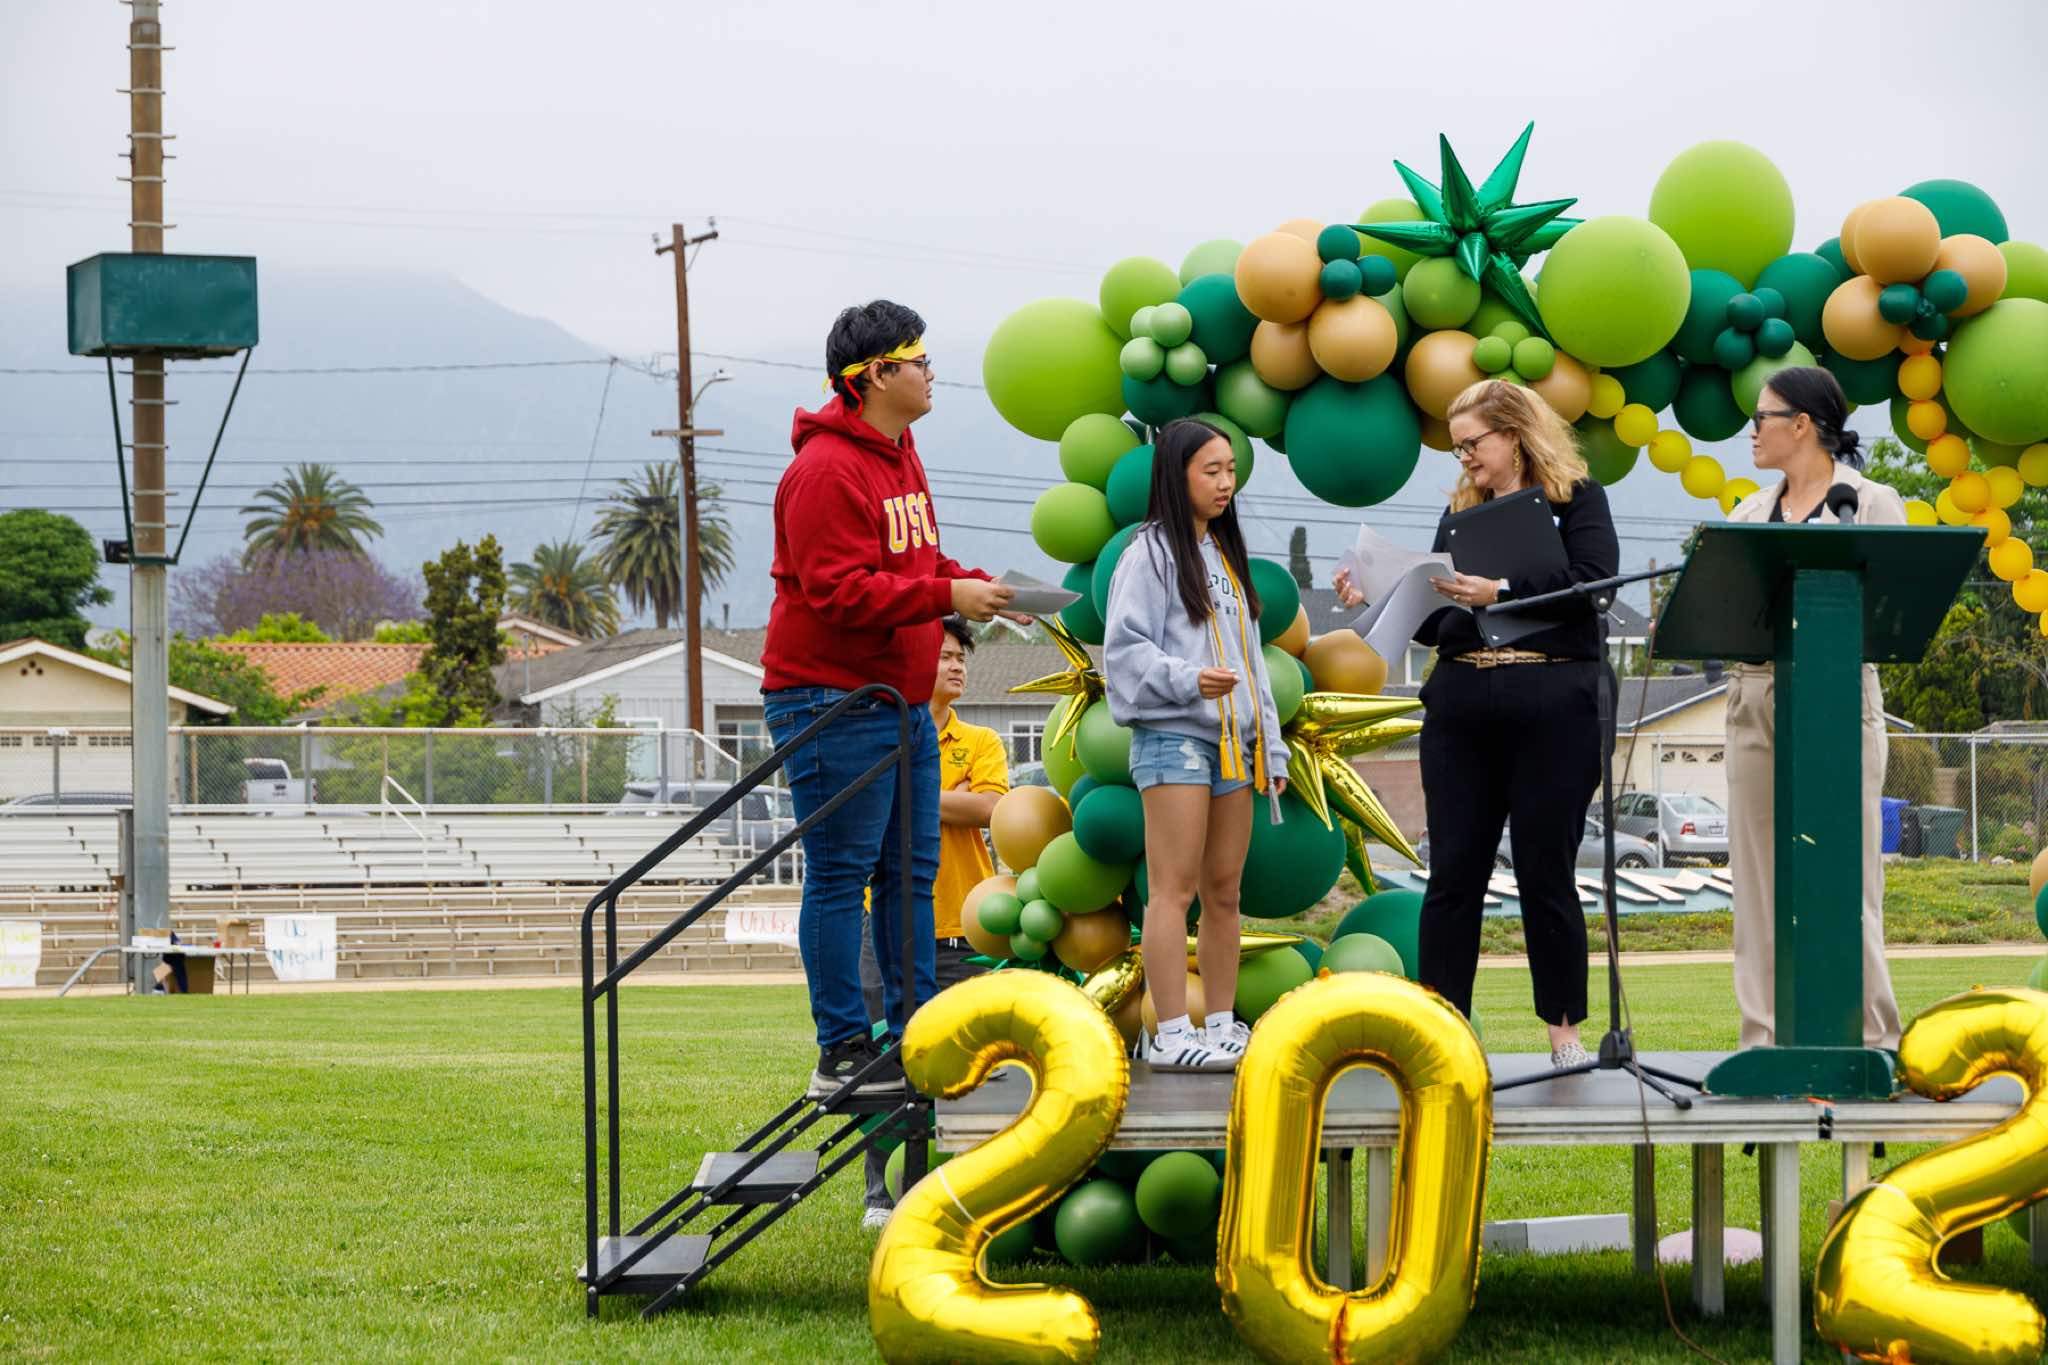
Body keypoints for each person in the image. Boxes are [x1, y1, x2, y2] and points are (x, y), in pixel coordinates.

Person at [762, 299, 1015, 1100]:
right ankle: (841, 1045)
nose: (932, 373)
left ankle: (913, 1031)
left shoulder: (902, 453)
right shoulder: (824, 469)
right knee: (842, 873)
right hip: (830, 700)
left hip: (897, 698)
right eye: (919, 361)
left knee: (910, 873)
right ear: (876, 373)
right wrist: (944, 595)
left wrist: (975, 586)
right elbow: (838, 592)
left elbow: (918, 561)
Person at [1335, 379, 1616, 1068]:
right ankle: (1445, 1032)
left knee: (1545, 869)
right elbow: (1440, 623)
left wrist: (1503, 591)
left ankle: (1564, 1035)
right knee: (1453, 872)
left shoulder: (1578, 498)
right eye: (1457, 447)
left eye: (1472, 444)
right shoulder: (1458, 513)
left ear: (1514, 434)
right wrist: (1379, 597)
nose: (1464, 458)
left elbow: (1595, 584)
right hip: (1463, 703)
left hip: (1555, 698)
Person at [1724, 366, 1904, 1050]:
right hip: (1755, 696)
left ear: (1801, 424)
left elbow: (1891, 609)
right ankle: (1764, 1040)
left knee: (1849, 875)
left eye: (1761, 418)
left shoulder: (1873, 501)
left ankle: (1873, 1038)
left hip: (1839, 697)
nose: (1751, 432)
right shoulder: (1747, 513)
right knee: (1757, 879)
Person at [1103, 418, 1288, 1073]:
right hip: (1174, 738)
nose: (1225, 482)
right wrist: (1190, 679)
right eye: (1211, 470)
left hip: (1235, 747)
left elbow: (1253, 665)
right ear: (1175, 475)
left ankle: (1221, 1024)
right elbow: (1123, 652)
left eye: (1230, 470)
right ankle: (1170, 1030)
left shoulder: (1225, 558)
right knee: (1172, 891)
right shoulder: (1148, 554)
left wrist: (1273, 748)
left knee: (1225, 892)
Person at [857, 615, 1010, 1228]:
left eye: (961, 657)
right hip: (886, 927)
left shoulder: (982, 741)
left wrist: (913, 792)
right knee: (881, 1062)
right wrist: (952, 798)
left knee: (966, 1064)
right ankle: (878, 1194)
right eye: (944, 654)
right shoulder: (880, 735)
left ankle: (947, 1187)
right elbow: (872, 804)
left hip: (967, 929)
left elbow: (993, 808)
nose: (955, 665)